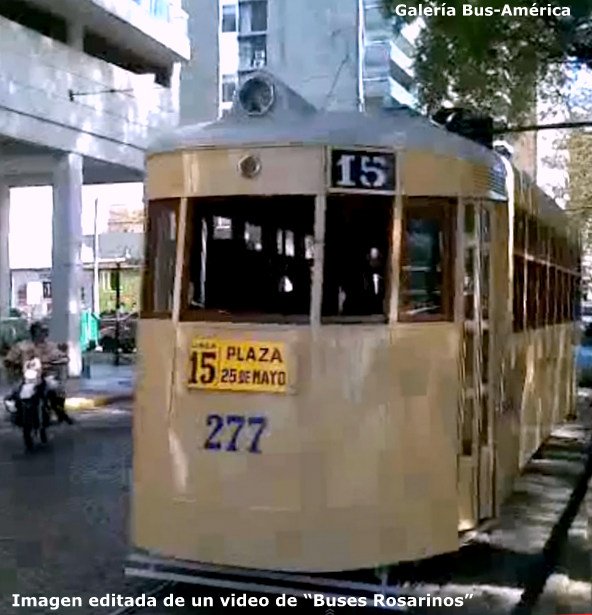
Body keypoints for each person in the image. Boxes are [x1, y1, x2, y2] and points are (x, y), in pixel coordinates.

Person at [4, 322, 74, 425]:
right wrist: (12, 363)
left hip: (46, 375)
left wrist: (61, 360)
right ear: (33, 332)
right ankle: (17, 413)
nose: (44, 333)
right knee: (14, 393)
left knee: (56, 390)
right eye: (41, 331)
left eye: (45, 331)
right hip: (27, 376)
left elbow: (61, 356)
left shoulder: (51, 346)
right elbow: (10, 359)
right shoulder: (21, 346)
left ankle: (60, 413)